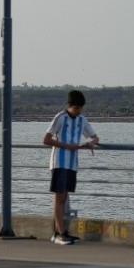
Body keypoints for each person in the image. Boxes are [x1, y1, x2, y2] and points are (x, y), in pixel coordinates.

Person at [42, 90, 98, 245]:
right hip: (59, 162)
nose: (78, 111)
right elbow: (46, 139)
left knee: (64, 197)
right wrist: (66, 146)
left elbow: (94, 136)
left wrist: (90, 144)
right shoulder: (61, 117)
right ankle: (60, 233)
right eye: (76, 108)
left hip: (72, 164)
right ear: (69, 105)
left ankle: (59, 232)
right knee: (59, 197)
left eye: (80, 108)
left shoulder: (82, 120)